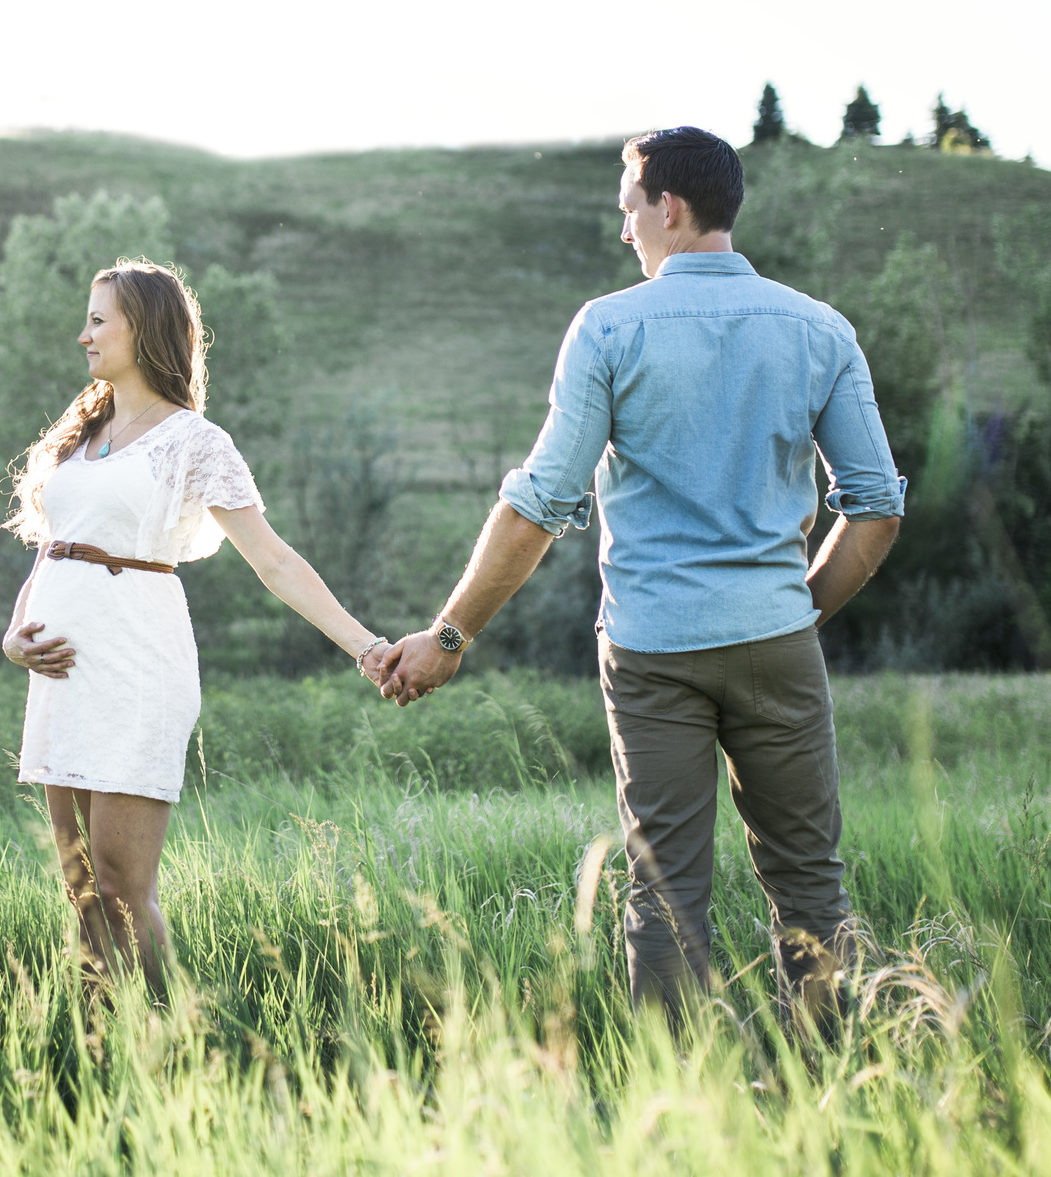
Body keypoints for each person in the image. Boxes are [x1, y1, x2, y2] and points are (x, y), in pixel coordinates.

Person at [376, 127, 905, 1019]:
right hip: (777, 640)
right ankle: (831, 1103)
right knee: (813, 890)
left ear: (670, 207)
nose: (626, 231)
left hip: (653, 652)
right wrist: (793, 610)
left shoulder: (611, 327)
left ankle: (676, 1110)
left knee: (662, 894)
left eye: (630, 209)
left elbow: (539, 504)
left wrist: (450, 635)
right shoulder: (819, 328)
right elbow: (876, 507)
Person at [1, 258, 390, 1001]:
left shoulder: (195, 441)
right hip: (60, 674)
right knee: (81, 887)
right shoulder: (82, 428)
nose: (82, 334)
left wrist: (366, 646)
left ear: (142, 328)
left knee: (120, 886)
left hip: (137, 667)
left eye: (97, 319)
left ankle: (170, 1041)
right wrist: (14, 633)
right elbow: (58, 544)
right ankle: (99, 1045)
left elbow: (273, 561)